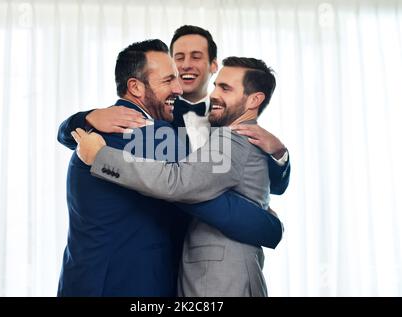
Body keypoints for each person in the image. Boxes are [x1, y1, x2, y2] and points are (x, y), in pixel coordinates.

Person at [57, 39, 283, 297]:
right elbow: (193, 189)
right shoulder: (150, 135)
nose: (179, 88)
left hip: (84, 280)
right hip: (130, 285)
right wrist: (269, 226)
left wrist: (81, 119)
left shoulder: (98, 127)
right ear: (135, 87)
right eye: (168, 81)